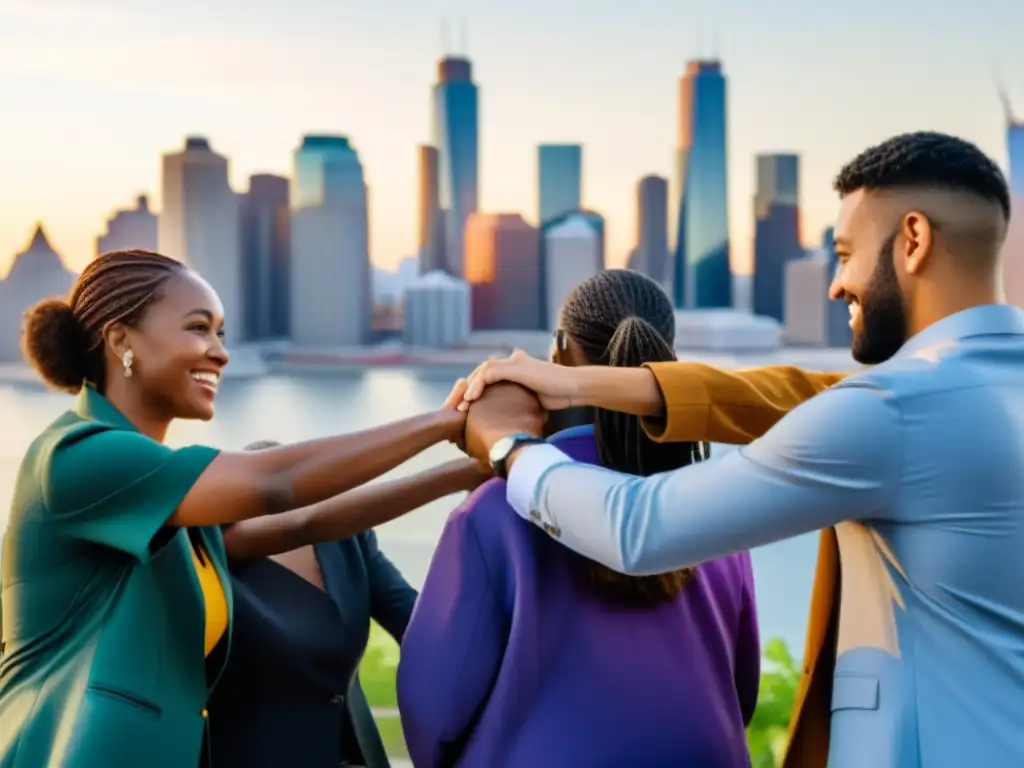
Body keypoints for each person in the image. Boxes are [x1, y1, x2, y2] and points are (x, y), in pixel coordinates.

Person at [460, 132, 1024, 767]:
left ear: (913, 240)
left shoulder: (894, 409)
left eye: (845, 253)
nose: (837, 285)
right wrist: (581, 382)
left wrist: (510, 449)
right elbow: (796, 394)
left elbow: (641, 528)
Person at [0, 249, 469, 768]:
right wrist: (448, 422)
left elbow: (310, 521)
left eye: (221, 333)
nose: (220, 353)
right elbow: (275, 483)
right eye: (199, 328)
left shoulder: (159, 498)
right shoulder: (78, 458)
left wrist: (473, 469)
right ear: (121, 340)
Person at [398, 270, 761, 767]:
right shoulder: (717, 510)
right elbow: (740, 692)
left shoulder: (493, 515)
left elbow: (432, 709)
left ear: (560, 352)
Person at [204, 440, 488, 768]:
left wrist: (480, 542)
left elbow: (419, 624)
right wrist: (458, 473)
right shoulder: (208, 550)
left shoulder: (345, 539)